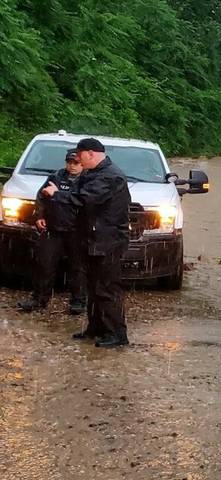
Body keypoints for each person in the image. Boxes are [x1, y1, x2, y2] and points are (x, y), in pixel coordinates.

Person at [41, 138, 131, 348]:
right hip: (92, 239)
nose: (78, 162)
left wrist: (57, 194)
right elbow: (76, 196)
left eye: (80, 157)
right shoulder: (94, 173)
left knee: (107, 289)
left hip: (108, 241)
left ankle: (117, 333)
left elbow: (83, 199)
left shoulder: (110, 176)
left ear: (90, 154)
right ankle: (96, 328)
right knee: (93, 286)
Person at [18, 149, 87, 314]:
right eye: (69, 162)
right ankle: (38, 299)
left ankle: (78, 302)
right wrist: (39, 215)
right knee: (44, 264)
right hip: (53, 228)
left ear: (83, 164)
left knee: (78, 268)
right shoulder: (56, 176)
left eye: (75, 163)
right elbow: (42, 196)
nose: (71, 166)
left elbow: (86, 202)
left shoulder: (87, 181)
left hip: (77, 231)